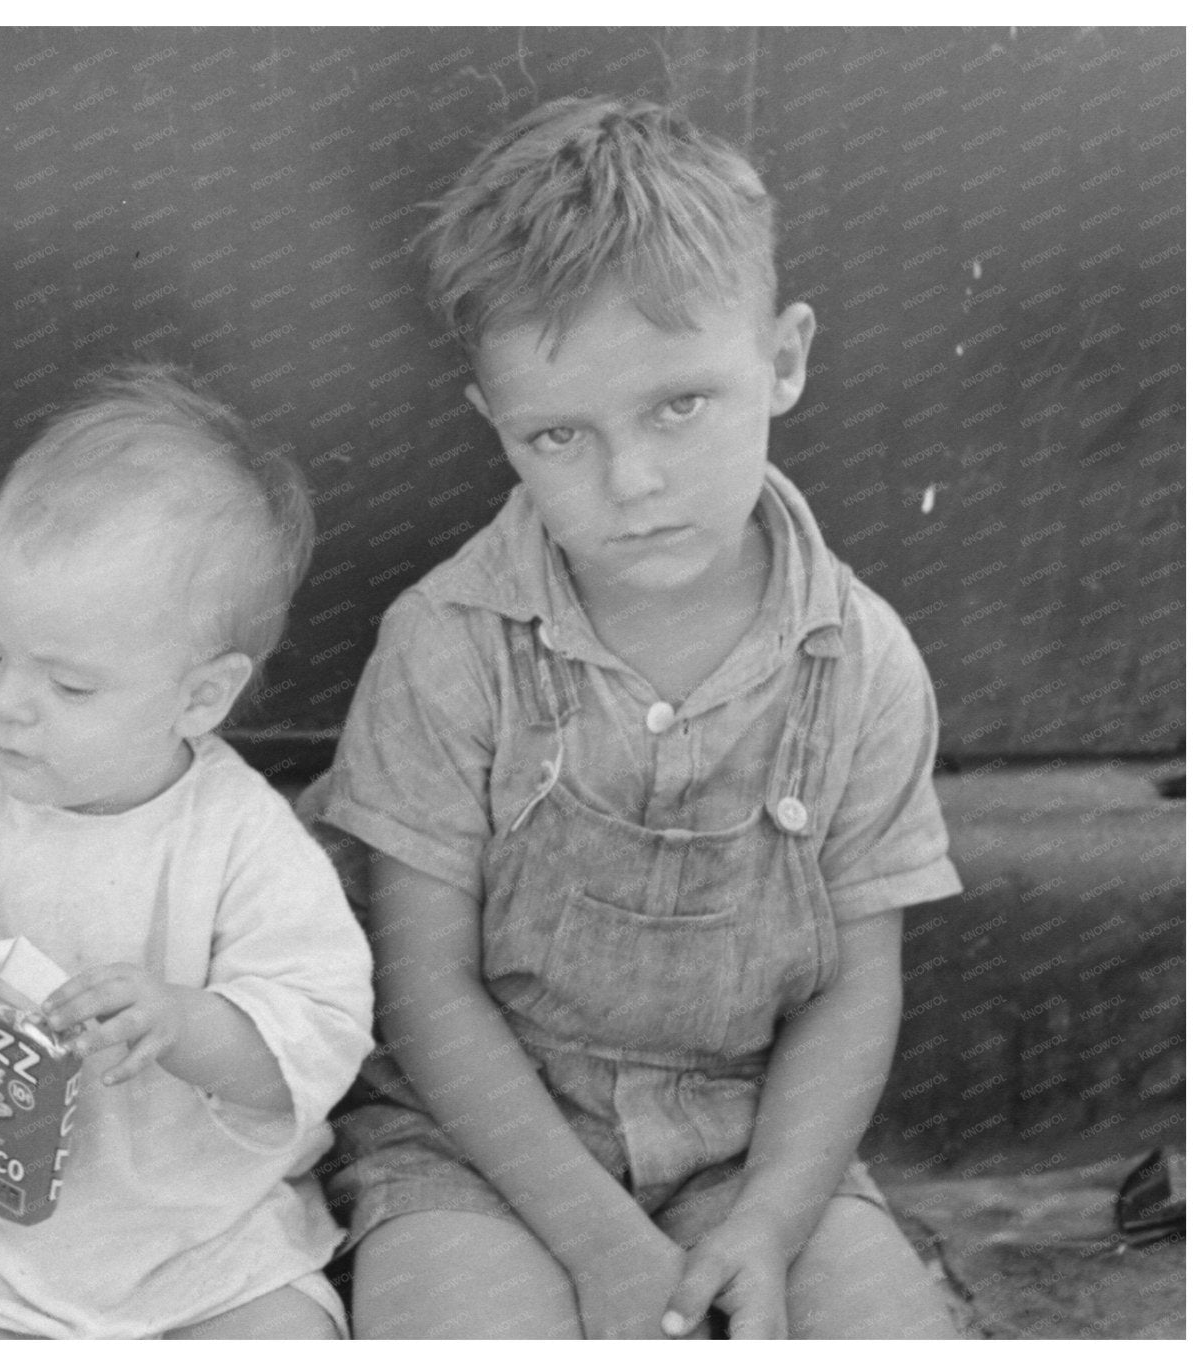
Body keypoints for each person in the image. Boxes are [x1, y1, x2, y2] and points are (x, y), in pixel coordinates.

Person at [301, 96, 964, 1339]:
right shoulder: (446, 643)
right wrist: (601, 1245)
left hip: (752, 1146)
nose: (631, 482)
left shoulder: (861, 664)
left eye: (679, 405)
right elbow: (422, 981)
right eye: (558, 434)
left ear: (782, 355)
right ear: (491, 421)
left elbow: (850, 989)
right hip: (475, 1150)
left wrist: (767, 1217)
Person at [0, 365, 374, 1339]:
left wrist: (186, 1024)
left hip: (203, 1236)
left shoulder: (239, 838)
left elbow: (318, 1027)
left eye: (68, 685)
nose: (8, 702)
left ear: (198, 697)